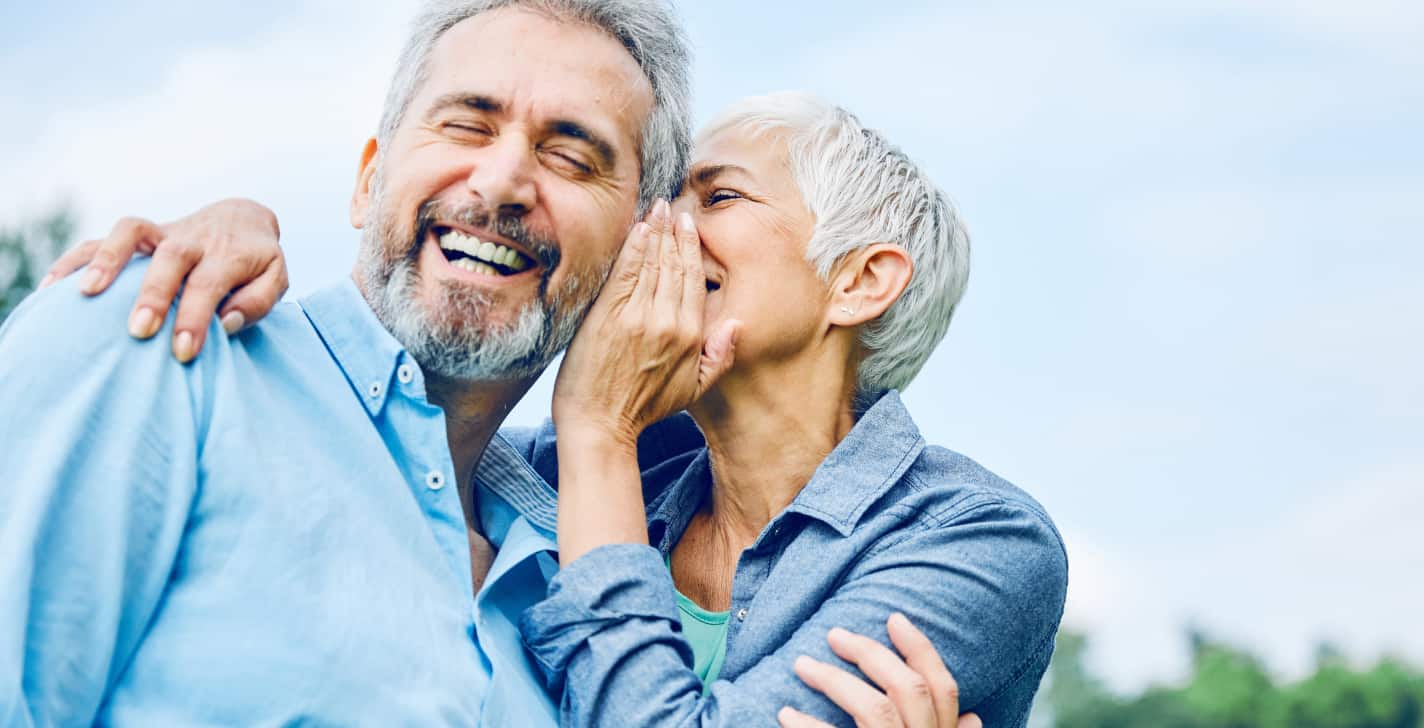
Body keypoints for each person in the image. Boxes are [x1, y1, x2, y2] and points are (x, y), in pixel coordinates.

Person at [6, 0, 980, 726]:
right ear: (365, 179)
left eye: (571, 155)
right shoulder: (153, 341)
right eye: (465, 123)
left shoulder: (577, 563)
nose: (502, 180)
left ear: (636, 239)